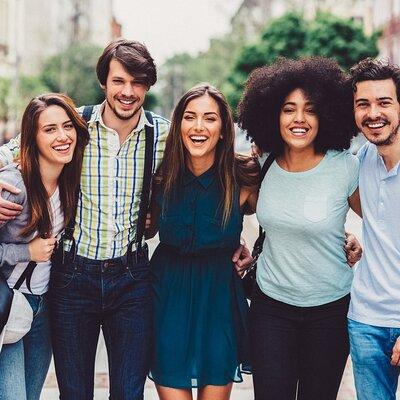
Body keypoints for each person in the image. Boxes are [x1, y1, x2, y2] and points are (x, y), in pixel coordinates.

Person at [0, 39, 251, 400]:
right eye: (119, 81)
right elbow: (15, 151)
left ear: (148, 85)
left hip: (131, 278)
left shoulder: (166, 134)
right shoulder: (74, 127)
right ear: (104, 82)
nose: (127, 92)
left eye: (137, 82)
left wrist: (233, 238)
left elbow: (213, 168)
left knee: (129, 393)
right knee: (74, 392)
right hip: (72, 277)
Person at [237, 57, 362, 400]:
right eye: (288, 109)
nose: (299, 119)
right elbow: (224, 211)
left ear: (326, 115)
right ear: (272, 115)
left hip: (331, 310)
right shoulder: (261, 165)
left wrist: (358, 243)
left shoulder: (346, 168)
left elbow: (385, 226)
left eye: (310, 109)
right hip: (271, 308)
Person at [147, 84, 259, 400]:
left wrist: (254, 252)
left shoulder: (244, 176)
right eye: (190, 117)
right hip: (167, 296)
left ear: (223, 129)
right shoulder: (159, 174)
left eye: (209, 119)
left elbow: (282, 223)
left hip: (220, 297)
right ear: (178, 125)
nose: (198, 127)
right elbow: (143, 228)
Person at [0, 93, 89, 400]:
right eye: (49, 129)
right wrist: (27, 252)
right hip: (6, 305)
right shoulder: (14, 186)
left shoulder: (70, 181)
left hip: (43, 309)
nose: (62, 136)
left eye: (67, 126)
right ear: (33, 137)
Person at [347, 58, 400, 400]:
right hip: (365, 319)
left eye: (384, 102)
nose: (373, 113)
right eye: (363, 104)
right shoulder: (360, 161)